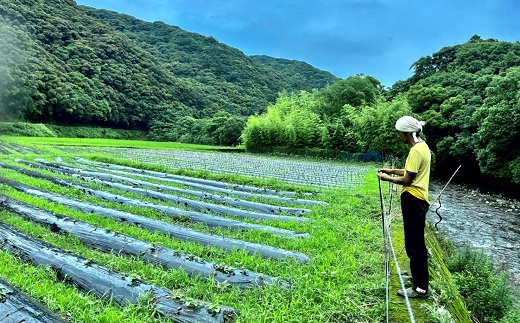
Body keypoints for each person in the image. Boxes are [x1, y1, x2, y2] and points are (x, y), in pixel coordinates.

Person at [377, 116, 431, 298]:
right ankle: (418, 278)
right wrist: (391, 170)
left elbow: (408, 180)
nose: (397, 135)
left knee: (414, 245)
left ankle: (420, 288)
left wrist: (387, 179)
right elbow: (409, 171)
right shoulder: (421, 147)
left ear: (407, 133)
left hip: (414, 199)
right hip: (418, 199)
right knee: (415, 242)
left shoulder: (416, 151)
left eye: (399, 132)